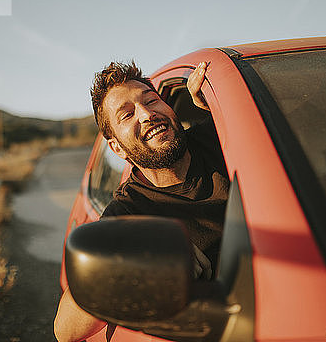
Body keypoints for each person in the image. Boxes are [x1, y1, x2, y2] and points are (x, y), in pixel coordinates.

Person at [53, 61, 230, 342]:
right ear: (117, 148)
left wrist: (218, 108)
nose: (147, 114)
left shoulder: (220, 137)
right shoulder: (128, 213)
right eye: (127, 114)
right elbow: (64, 331)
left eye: (151, 100)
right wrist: (147, 264)